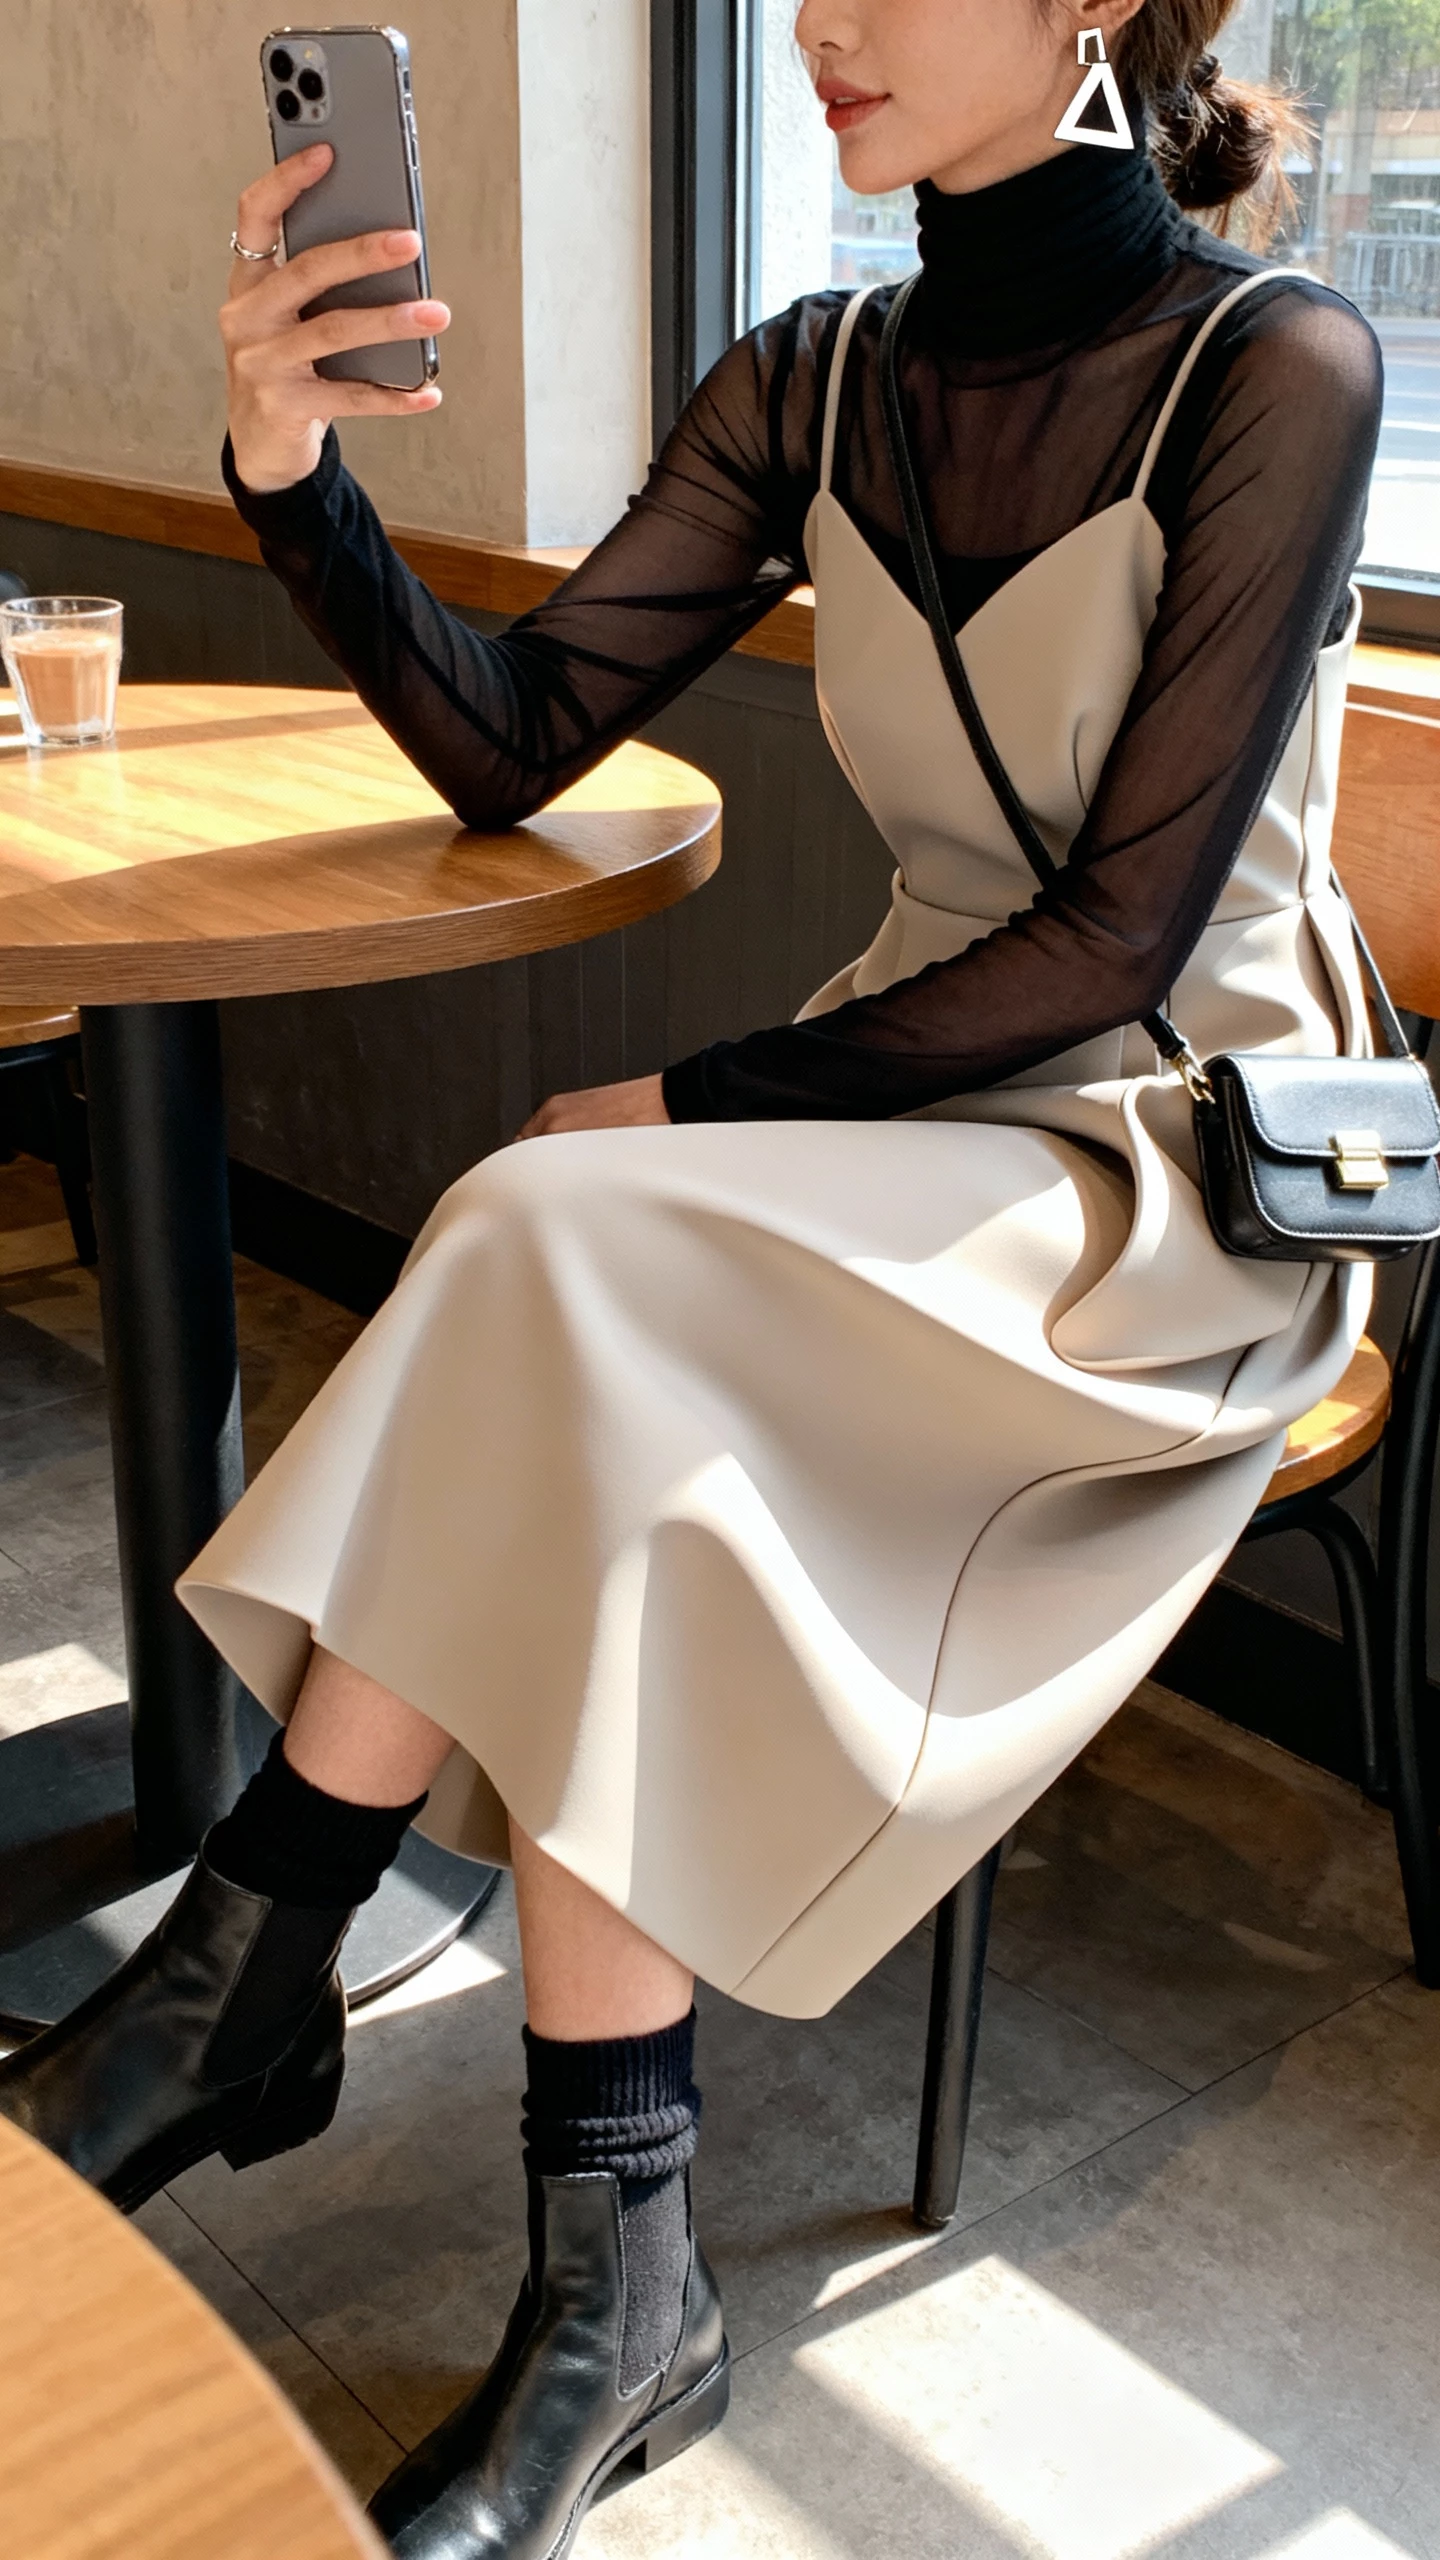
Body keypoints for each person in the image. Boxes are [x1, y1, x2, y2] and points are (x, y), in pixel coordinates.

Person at [2, 0, 1381, 2552]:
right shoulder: (820, 371)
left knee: (562, 1219)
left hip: (1165, 1162)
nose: (820, 26)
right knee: (592, 1301)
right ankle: (598, 2252)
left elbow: (1122, 932)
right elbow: (515, 730)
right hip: (899, 1113)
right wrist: (285, 479)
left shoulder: (1270, 365)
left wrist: (695, 1096)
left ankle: (260, 1970)